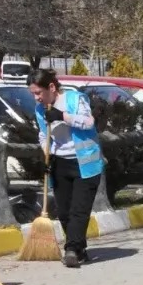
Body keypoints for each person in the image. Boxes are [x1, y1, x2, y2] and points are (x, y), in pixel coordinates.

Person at [29, 69, 104, 268]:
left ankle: (70, 249)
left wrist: (62, 115)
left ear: (51, 87)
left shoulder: (74, 99)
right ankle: (79, 249)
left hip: (85, 162)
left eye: (38, 93)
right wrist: (46, 156)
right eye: (33, 94)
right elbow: (44, 135)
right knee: (64, 211)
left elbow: (89, 123)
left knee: (79, 210)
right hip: (60, 162)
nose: (36, 98)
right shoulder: (40, 109)